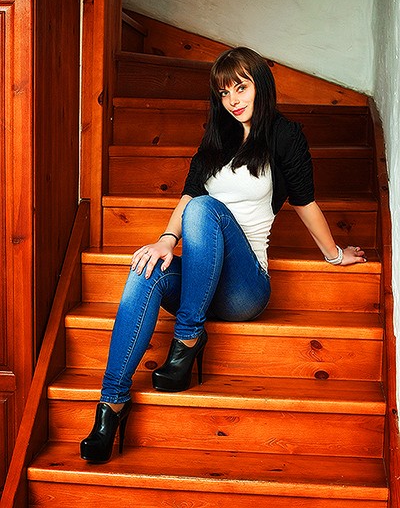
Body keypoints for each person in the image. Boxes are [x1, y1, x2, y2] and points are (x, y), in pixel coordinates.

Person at [80, 47, 366, 462]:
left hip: (243, 289)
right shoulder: (217, 137)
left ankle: (188, 336)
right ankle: (112, 404)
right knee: (145, 270)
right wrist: (165, 240)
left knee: (204, 208)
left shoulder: (284, 135)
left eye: (241, 87)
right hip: (201, 282)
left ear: (260, 86)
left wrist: (335, 255)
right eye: (224, 92)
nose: (232, 99)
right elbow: (188, 195)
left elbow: (304, 202)